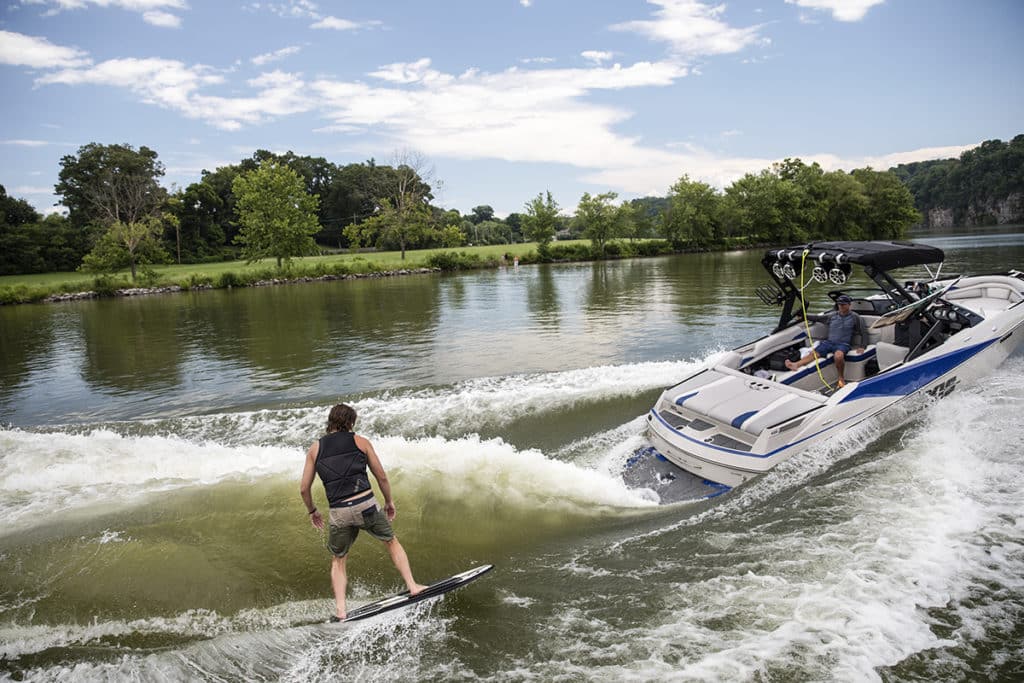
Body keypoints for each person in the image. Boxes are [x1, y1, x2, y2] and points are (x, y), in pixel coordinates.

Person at [300, 403, 426, 621]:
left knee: (338, 560)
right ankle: (413, 586)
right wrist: (389, 501)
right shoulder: (360, 442)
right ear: (351, 422)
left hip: (339, 512)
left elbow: (303, 488)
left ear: (330, 421)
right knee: (391, 542)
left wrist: (312, 511)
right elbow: (382, 476)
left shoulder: (315, 449)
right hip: (366, 505)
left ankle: (341, 610)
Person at [784, 294, 867, 387]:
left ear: (849, 305)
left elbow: (864, 333)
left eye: (843, 304)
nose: (841, 306)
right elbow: (817, 318)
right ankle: (795, 365)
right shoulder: (832, 315)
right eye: (839, 304)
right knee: (813, 353)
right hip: (829, 342)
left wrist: (862, 346)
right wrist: (804, 316)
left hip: (843, 344)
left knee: (838, 356)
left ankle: (841, 378)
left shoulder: (856, 317)